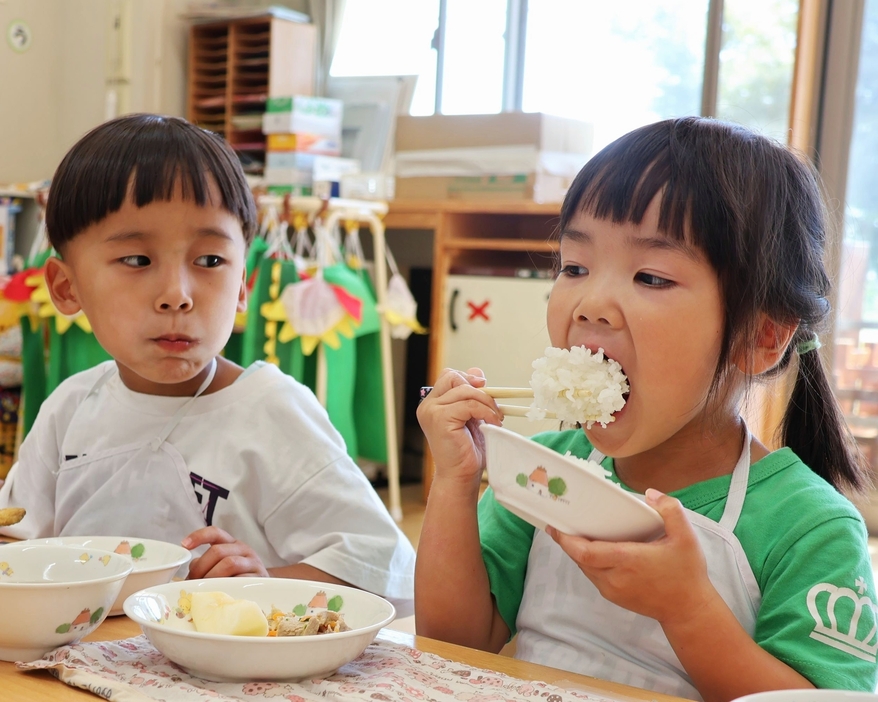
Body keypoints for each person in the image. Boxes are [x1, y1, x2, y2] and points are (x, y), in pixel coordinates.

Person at [415, 117, 878, 700]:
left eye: (651, 276)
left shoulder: (810, 527)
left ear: (760, 337)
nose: (590, 303)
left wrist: (687, 609)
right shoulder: (541, 472)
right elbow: (454, 643)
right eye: (574, 267)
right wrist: (456, 482)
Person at [0, 114, 415, 607]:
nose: (177, 296)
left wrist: (263, 583)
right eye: (137, 260)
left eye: (210, 261)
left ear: (242, 287)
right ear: (67, 288)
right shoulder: (69, 408)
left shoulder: (270, 411)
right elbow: (17, 549)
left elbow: (381, 568)